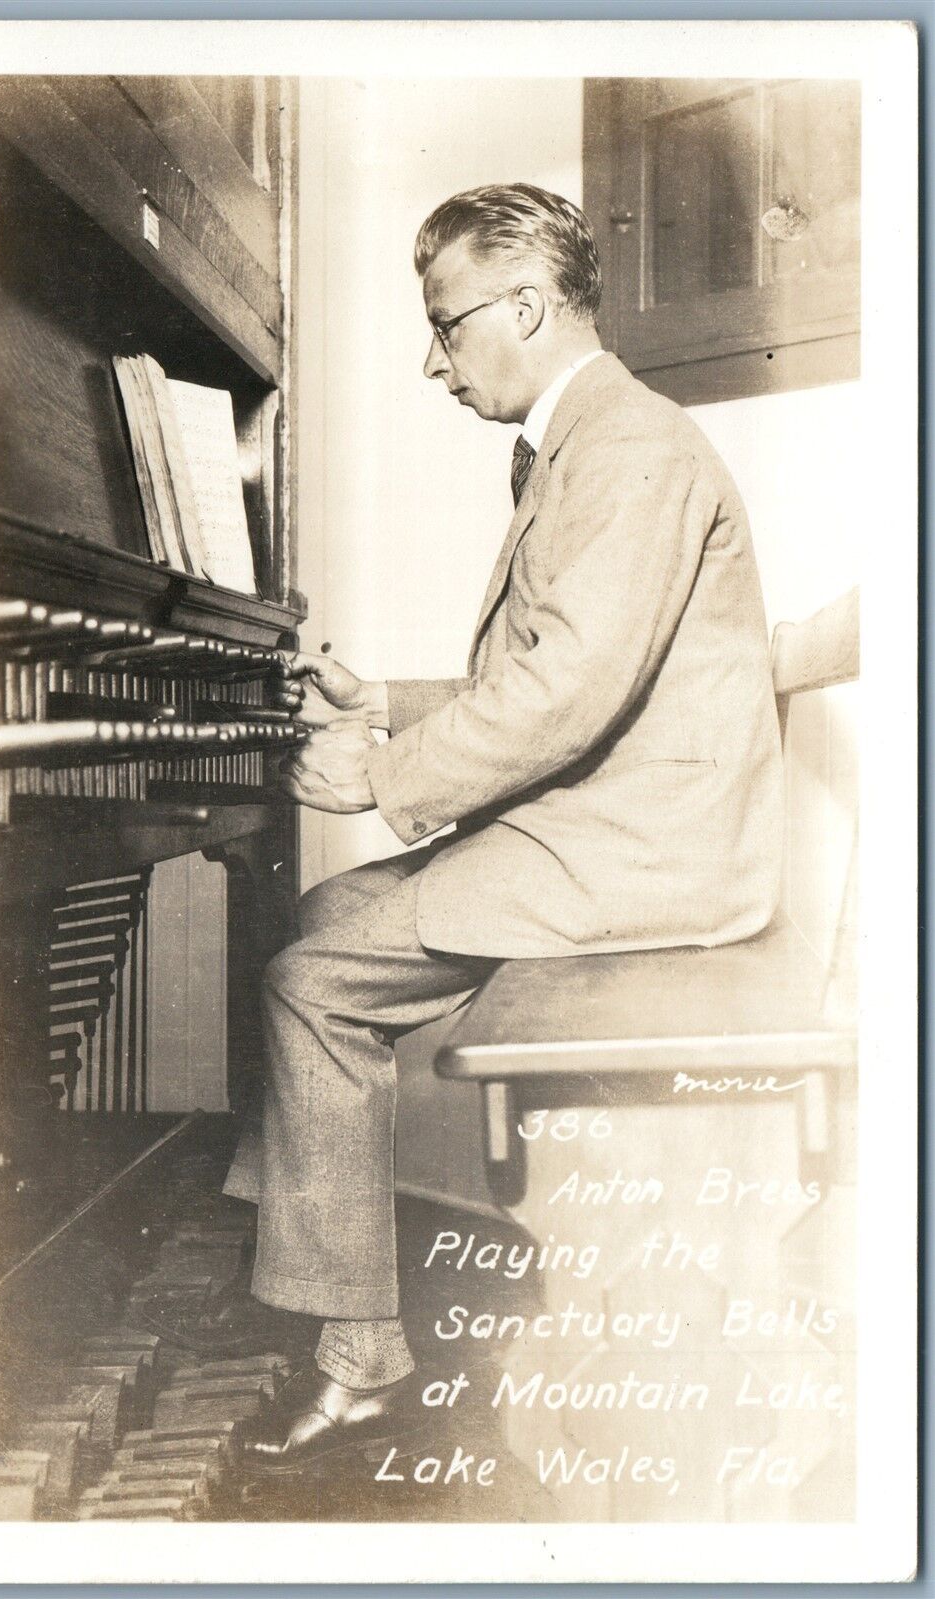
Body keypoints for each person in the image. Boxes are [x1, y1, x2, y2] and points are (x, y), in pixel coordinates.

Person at [228, 182, 784, 1468]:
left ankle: (354, 1351)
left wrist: (382, 776)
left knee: (309, 972)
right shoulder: (585, 440)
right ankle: (336, 1309)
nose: (433, 360)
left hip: (644, 860)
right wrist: (391, 706)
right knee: (321, 930)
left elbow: (573, 690)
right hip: (615, 824)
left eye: (447, 324)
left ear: (526, 306)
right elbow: (562, 672)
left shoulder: (629, 449)